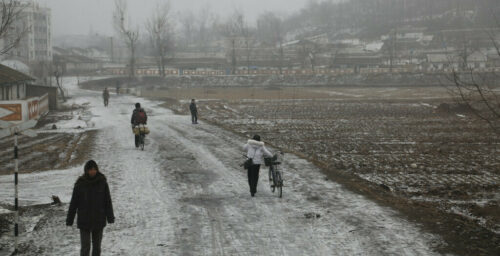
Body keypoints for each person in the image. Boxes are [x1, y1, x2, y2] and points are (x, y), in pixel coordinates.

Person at [66, 160, 114, 256]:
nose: (92, 171)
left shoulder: (102, 182)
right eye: (90, 170)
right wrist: (69, 219)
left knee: (97, 247)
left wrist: (110, 217)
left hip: (98, 219)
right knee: (85, 247)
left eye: (94, 169)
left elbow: (107, 201)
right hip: (84, 220)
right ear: (86, 170)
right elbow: (74, 203)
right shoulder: (80, 184)